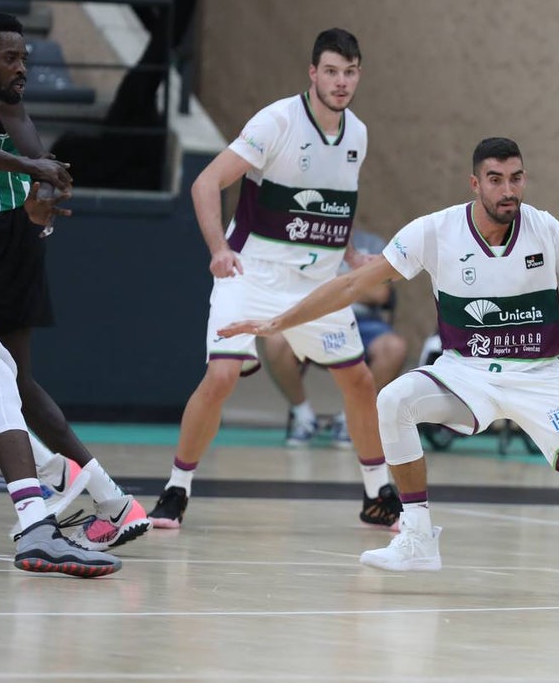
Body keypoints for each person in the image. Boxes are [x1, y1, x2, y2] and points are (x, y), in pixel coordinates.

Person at [219, 137, 559, 607]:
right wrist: (280, 321)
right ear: (476, 183)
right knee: (393, 400)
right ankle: (419, 538)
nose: (508, 189)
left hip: (539, 375)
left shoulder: (544, 227)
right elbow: (354, 285)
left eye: (516, 178)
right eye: (496, 179)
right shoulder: (434, 231)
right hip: (465, 371)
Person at [146, 28, 400, 530]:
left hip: (317, 283)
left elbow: (336, 204)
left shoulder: (359, 134)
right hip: (252, 272)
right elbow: (206, 183)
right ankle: (176, 489)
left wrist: (350, 256)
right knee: (220, 379)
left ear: (359, 74)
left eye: (350, 72)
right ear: (313, 72)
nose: (341, 81)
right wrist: (218, 248)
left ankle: (378, 494)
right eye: (331, 70)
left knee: (359, 379)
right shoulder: (277, 121)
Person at [0, 10, 150, 551]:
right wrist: (38, 181)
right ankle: (91, 493)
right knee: (8, 382)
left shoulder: (3, 93)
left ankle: (85, 495)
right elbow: (32, 162)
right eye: (12, 57)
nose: (22, 66)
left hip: (4, 236)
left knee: (11, 383)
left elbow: (34, 161)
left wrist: (40, 192)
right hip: (11, 231)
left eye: (23, 57)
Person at [263, 227, 409, 447]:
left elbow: (380, 293)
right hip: (313, 320)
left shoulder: (371, 244)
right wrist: (352, 285)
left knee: (394, 348)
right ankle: (302, 415)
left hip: (364, 324)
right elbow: (291, 288)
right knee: (276, 341)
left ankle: (352, 419)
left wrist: (326, 286)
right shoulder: (303, 242)